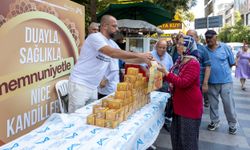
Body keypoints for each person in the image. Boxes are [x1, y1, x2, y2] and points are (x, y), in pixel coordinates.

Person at [68, 15, 153, 113]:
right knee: (75, 117)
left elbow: (124, 58)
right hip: (80, 84)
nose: (117, 29)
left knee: (89, 117)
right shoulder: (94, 37)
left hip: (93, 87)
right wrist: (141, 55)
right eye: (114, 26)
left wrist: (145, 60)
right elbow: (112, 53)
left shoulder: (111, 43)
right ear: (104, 26)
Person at [158, 35, 203, 150]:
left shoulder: (193, 63)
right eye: (177, 43)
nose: (177, 46)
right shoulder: (180, 59)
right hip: (178, 105)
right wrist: (163, 74)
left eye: (181, 44)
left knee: (188, 142)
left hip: (189, 107)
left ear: (188, 46)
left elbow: (183, 83)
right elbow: (173, 77)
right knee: (176, 138)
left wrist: (166, 73)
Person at [204, 30, 237, 135]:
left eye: (210, 37)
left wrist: (222, 71)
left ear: (215, 37)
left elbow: (232, 62)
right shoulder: (204, 50)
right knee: (213, 104)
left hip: (225, 82)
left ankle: (232, 125)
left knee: (228, 104)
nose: (208, 39)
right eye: (207, 37)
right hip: (211, 82)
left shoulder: (225, 47)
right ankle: (214, 122)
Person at [187, 29, 211, 107]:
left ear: (197, 38)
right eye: (187, 36)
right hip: (185, 83)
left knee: (196, 105)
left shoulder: (203, 50)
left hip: (198, 84)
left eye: (191, 36)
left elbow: (208, 66)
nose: (188, 38)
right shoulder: (184, 48)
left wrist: (205, 83)